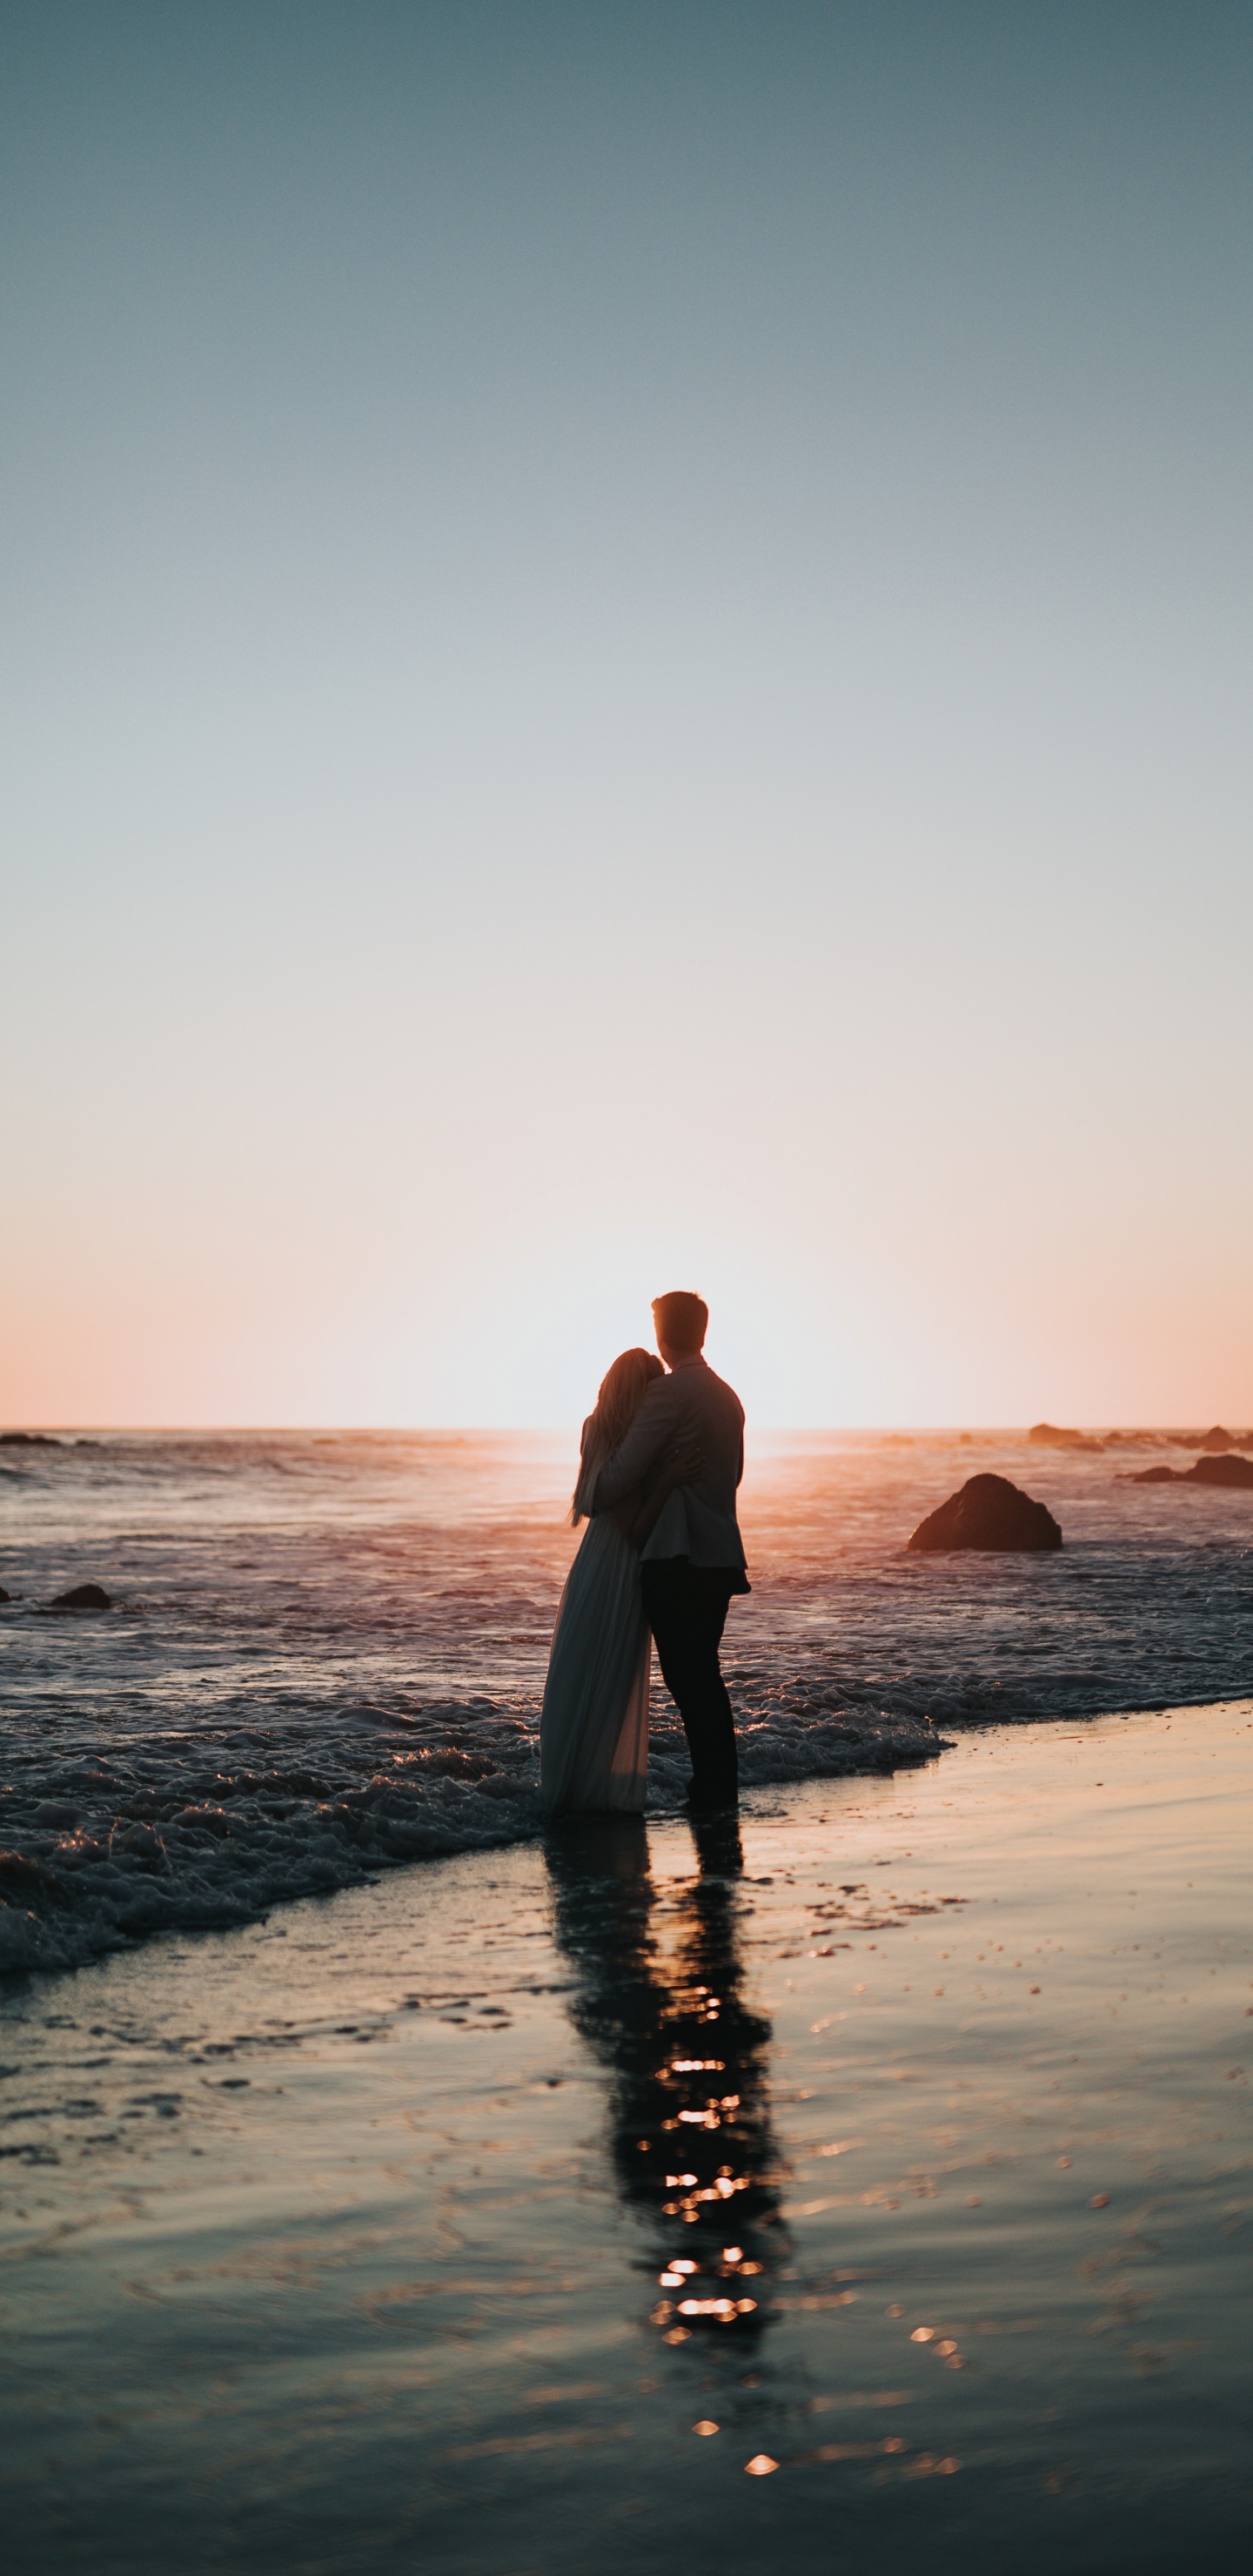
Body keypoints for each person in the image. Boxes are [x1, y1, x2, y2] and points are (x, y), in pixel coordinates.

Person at [593, 1291, 748, 1811]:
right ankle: (716, 1786)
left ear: (661, 1335)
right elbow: (736, 1478)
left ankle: (711, 1791)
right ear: (702, 1333)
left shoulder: (670, 1394)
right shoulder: (728, 1397)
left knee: (690, 1680)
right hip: (721, 1555)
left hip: (676, 1559)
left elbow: (618, 1477)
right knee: (704, 1675)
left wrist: (600, 1480)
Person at [540, 1348, 700, 1812]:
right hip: (622, 1570)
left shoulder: (594, 1429)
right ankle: (593, 1792)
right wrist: (668, 1478)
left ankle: (565, 1784)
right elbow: (635, 1529)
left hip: (591, 1561)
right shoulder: (635, 1447)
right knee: (610, 1678)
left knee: (576, 1672)